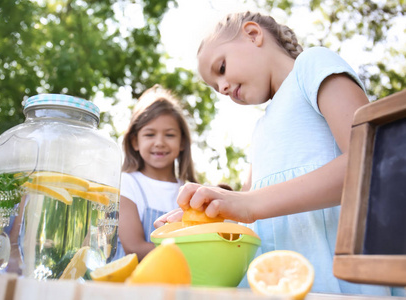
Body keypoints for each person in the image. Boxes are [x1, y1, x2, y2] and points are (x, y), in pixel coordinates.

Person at [155, 11, 405, 296]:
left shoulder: (311, 66)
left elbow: (371, 161)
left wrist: (248, 204)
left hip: (334, 282)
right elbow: (241, 211)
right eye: (215, 88)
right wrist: (197, 221)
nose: (222, 88)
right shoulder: (260, 129)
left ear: (253, 34)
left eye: (221, 68)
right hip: (273, 285)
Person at [113, 85, 197, 262]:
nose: (159, 142)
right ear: (135, 141)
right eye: (150, 134)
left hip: (174, 283)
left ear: (182, 142)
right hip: (130, 283)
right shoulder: (127, 184)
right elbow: (134, 247)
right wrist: (193, 255)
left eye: (170, 135)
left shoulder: (190, 191)